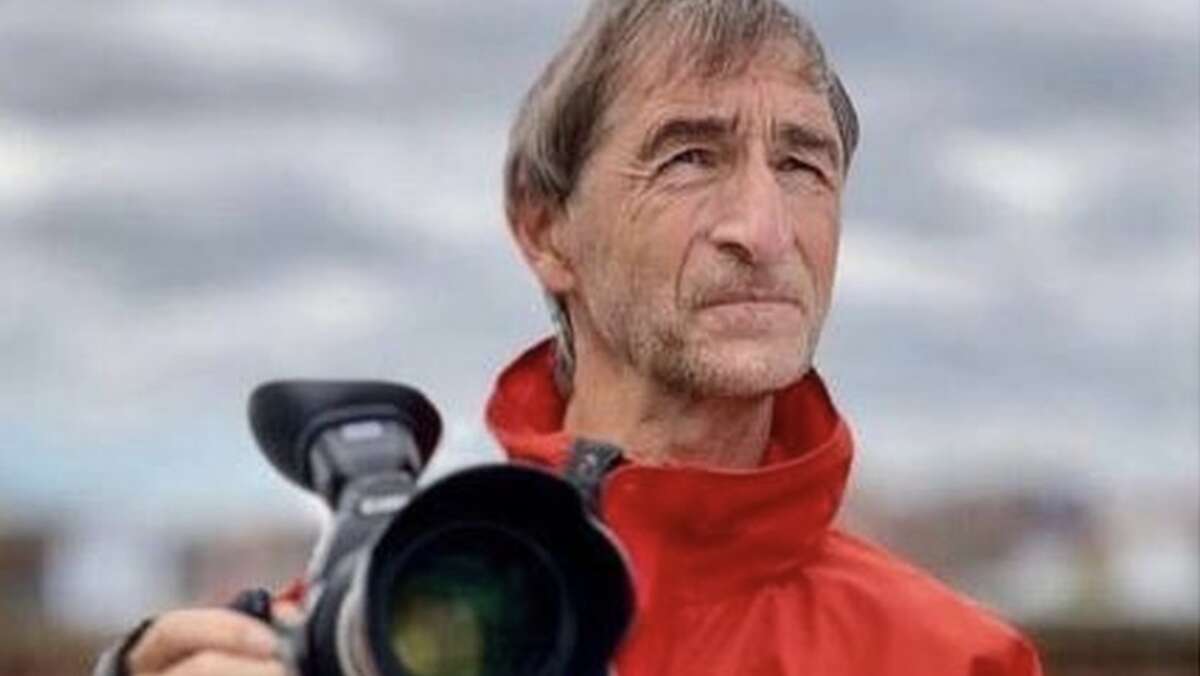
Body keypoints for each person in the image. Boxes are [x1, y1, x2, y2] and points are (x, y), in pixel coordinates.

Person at [97, 1, 1044, 674]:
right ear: (546, 229)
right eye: (689, 157)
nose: (762, 230)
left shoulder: (957, 661)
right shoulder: (348, 639)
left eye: (803, 165)